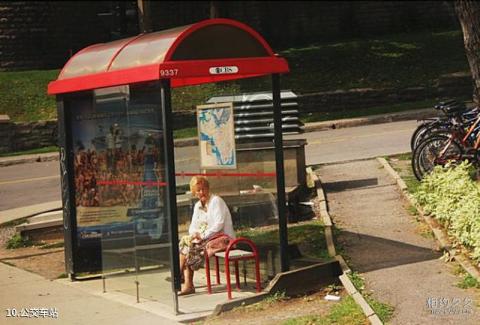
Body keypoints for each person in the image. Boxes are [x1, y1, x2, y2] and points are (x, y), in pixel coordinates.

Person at [177, 176, 235, 296]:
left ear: (208, 188)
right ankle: (185, 281)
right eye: (198, 190)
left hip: (223, 238)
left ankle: (181, 278)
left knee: (194, 248)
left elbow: (219, 224)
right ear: (194, 192)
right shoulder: (198, 205)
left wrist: (202, 235)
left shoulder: (216, 201)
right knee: (186, 244)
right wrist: (194, 234)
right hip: (207, 238)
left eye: (203, 189)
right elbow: (193, 225)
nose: (201, 192)